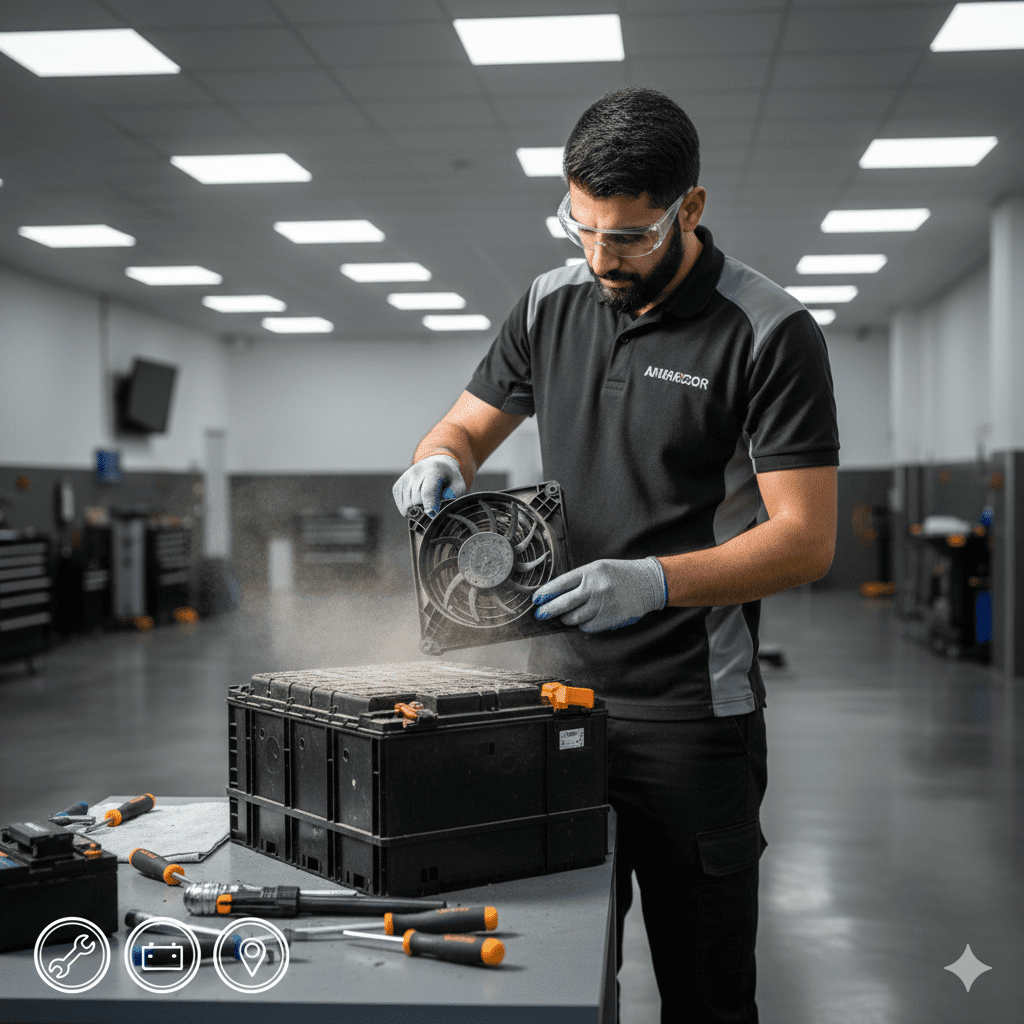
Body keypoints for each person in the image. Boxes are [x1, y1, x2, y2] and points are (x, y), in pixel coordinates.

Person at [393, 87, 839, 1023]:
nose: (602, 258)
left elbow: (807, 539)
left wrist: (656, 582)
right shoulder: (550, 303)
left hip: (692, 721)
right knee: (552, 981)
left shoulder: (769, 330)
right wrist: (439, 457)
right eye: (581, 227)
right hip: (550, 705)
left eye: (631, 236)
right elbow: (469, 424)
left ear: (691, 208)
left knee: (706, 991)